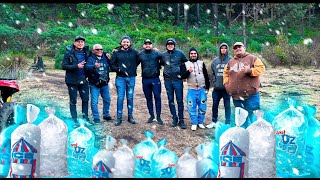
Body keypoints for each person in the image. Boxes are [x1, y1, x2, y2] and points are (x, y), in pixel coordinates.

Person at [223, 42, 266, 128]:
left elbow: (261, 69)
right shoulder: (230, 62)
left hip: (251, 96)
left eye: (240, 47)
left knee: (255, 119)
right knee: (241, 120)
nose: (238, 49)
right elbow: (225, 74)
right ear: (234, 51)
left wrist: (249, 70)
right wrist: (226, 84)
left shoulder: (253, 58)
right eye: (235, 48)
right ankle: (244, 136)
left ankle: (257, 137)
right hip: (236, 97)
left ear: (244, 48)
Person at [62, 35, 91, 125]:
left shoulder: (87, 52)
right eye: (78, 42)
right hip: (72, 81)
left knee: (85, 99)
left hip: (83, 80)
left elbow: (98, 53)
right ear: (75, 43)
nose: (80, 43)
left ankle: (85, 118)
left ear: (84, 43)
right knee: (73, 100)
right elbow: (64, 66)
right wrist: (76, 66)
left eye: (82, 42)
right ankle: (74, 119)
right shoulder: (69, 53)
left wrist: (107, 53)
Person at [110, 35, 139, 126]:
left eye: (127, 42)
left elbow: (138, 61)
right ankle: (119, 118)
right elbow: (112, 64)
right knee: (120, 98)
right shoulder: (116, 52)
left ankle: (130, 117)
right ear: (121, 43)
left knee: (130, 97)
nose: (125, 43)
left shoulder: (134, 52)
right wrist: (118, 69)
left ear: (130, 43)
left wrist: (132, 68)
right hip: (120, 78)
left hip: (131, 78)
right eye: (124, 41)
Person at [160, 38, 188, 129]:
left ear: (174, 45)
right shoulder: (163, 55)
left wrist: (183, 75)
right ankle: (174, 118)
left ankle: (181, 120)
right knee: (171, 100)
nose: (170, 45)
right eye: (168, 44)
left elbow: (186, 62)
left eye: (172, 44)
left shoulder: (180, 53)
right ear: (166, 45)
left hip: (177, 80)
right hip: (167, 81)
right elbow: (160, 64)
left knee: (179, 100)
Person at [182, 47, 210, 131]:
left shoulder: (201, 63)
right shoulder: (186, 64)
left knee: (202, 106)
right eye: (191, 54)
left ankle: (200, 122)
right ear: (189, 55)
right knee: (191, 106)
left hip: (202, 89)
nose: (193, 55)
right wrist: (188, 71)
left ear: (197, 54)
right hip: (191, 89)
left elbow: (206, 75)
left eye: (195, 53)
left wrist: (207, 87)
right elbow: (182, 76)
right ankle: (194, 123)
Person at [137, 39, 164, 125]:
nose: (148, 45)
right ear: (144, 45)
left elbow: (164, 58)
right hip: (145, 79)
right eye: (146, 44)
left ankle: (158, 116)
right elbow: (133, 63)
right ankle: (152, 115)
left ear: (152, 45)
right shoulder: (140, 54)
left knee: (157, 97)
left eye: (149, 44)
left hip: (155, 79)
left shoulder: (156, 53)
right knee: (148, 98)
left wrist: (159, 52)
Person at [207, 43, 232, 129]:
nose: (223, 50)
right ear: (220, 49)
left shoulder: (230, 60)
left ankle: (228, 122)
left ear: (227, 50)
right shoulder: (215, 61)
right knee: (214, 105)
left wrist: (230, 84)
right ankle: (214, 121)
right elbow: (212, 73)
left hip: (226, 89)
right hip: (217, 89)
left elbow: (233, 73)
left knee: (227, 106)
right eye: (222, 48)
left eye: (225, 48)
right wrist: (214, 81)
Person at [85, 44, 112, 124]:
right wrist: (94, 66)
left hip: (104, 84)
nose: (99, 51)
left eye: (101, 49)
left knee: (107, 100)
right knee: (94, 102)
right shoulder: (90, 58)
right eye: (97, 49)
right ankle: (96, 117)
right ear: (93, 51)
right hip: (94, 84)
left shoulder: (105, 57)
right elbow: (87, 67)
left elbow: (111, 64)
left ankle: (106, 114)